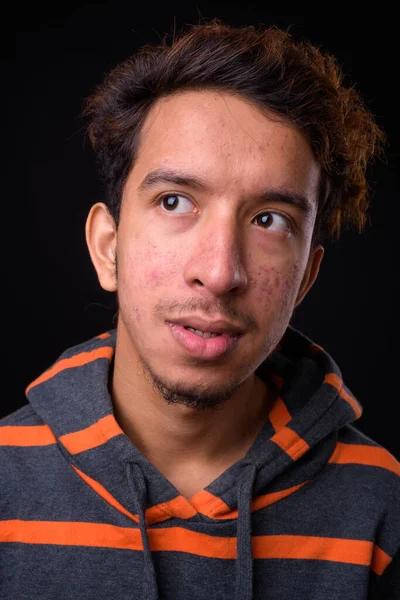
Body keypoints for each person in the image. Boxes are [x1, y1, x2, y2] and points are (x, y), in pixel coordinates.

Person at [1, 20, 399, 600]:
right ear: (108, 248)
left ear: (305, 278)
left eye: (270, 219)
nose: (219, 273)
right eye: (175, 201)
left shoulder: (383, 509)